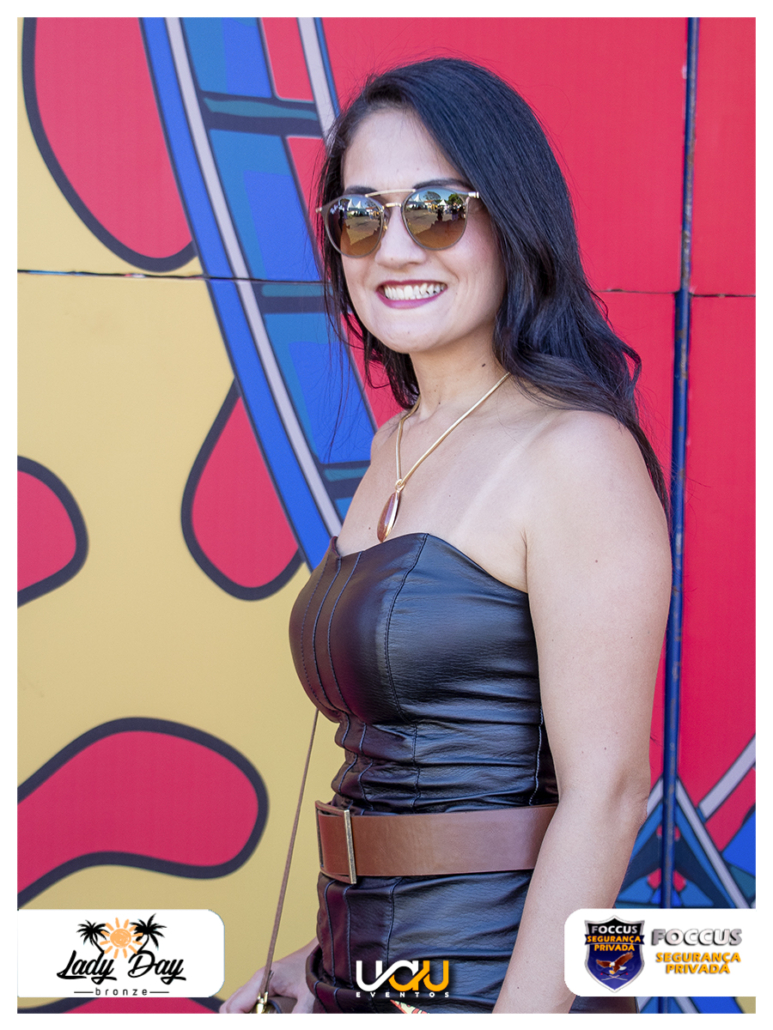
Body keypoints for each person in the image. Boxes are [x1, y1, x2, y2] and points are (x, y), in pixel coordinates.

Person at [220, 57, 671, 1014]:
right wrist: (318, 962)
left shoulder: (575, 452)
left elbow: (608, 792)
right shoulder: (395, 441)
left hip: (499, 987)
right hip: (367, 974)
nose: (392, 249)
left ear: (512, 219)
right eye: (359, 216)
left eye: (435, 210)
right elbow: (398, 776)